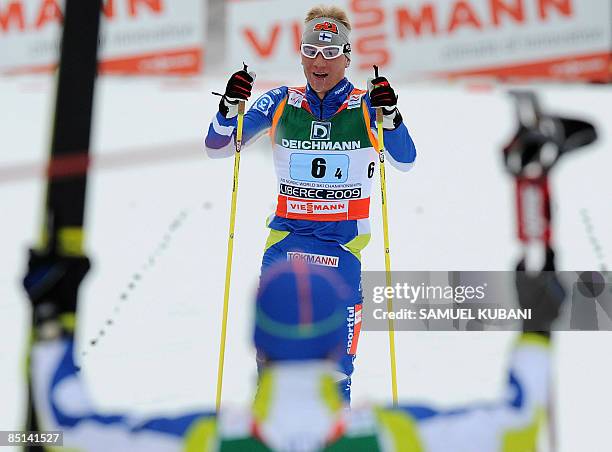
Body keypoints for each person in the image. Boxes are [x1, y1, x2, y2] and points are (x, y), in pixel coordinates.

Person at [27, 260, 564, 451]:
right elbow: (516, 424)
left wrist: (52, 322)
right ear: (340, 343)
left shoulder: (207, 441)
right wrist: (537, 328)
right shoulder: (391, 438)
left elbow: (64, 429)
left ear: (256, 343)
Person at [204, 5, 417, 401]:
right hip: (285, 246)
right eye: (311, 51)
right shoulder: (280, 101)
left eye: (331, 52)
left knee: (335, 374)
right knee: (273, 371)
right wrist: (227, 109)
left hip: (341, 251)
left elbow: (406, 160)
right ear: (300, 54)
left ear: (347, 57)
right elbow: (217, 148)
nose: (320, 62)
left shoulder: (365, 104)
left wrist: (391, 115)